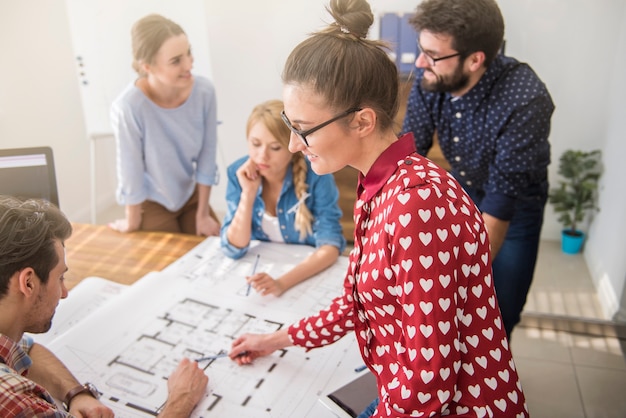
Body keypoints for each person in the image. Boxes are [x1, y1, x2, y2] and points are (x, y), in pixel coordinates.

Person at [228, 1, 528, 417]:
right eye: (288, 123)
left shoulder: (418, 204)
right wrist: (277, 339)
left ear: (363, 122)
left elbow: (428, 383)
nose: (294, 144)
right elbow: (358, 303)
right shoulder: (383, 184)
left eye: (302, 129)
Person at [402, 0, 555, 339]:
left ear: (475, 60)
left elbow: (499, 209)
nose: (420, 62)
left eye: (433, 54)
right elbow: (408, 156)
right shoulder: (433, 78)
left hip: (515, 209)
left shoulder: (524, 99)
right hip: (465, 193)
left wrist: (455, 288)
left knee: (496, 316)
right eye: (420, 49)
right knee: (447, 314)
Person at [0, 196, 208, 417]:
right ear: (28, 283)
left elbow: (26, 349)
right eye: (60, 278)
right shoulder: (19, 403)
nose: (64, 293)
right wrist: (181, 400)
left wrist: (77, 394)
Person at [109, 14, 221, 236]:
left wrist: (203, 214)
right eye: (176, 60)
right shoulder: (129, 107)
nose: (189, 64)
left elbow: (208, 156)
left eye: (188, 52)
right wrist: (132, 221)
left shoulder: (204, 92)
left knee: (215, 250)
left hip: (191, 195)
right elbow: (131, 169)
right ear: (147, 66)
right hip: (152, 201)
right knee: (168, 264)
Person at [221, 99, 345, 296]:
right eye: (255, 144)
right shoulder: (238, 173)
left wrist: (282, 283)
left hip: (303, 277)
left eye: (275, 147)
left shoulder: (317, 175)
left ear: (292, 146)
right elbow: (233, 248)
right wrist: (248, 193)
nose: (262, 156)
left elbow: (330, 245)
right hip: (260, 276)